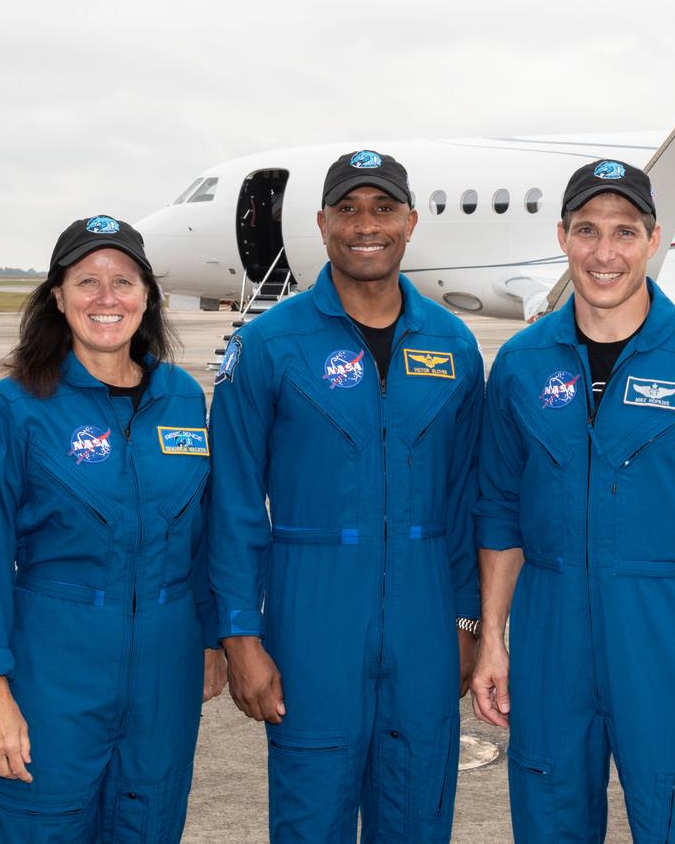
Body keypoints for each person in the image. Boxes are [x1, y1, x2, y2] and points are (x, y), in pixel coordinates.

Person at [471, 159, 675, 842]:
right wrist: (493, 638)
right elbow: (498, 511)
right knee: (549, 813)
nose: (604, 252)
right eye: (586, 230)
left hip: (667, 629)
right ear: (563, 235)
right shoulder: (520, 363)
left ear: (653, 239)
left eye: (624, 232)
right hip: (550, 629)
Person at [207, 150, 484, 842]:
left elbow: (467, 499)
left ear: (410, 221)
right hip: (311, 621)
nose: (368, 225)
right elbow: (234, 501)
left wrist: (469, 624)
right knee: (311, 820)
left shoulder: (452, 346)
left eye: (384, 208)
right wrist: (240, 633)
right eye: (350, 209)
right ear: (323, 222)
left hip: (426, 624)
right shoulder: (268, 345)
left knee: (418, 817)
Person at [0, 215, 226, 841]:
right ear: (57, 295)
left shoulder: (183, 397)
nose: (107, 299)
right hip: (55, 667)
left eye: (124, 282)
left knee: (149, 824)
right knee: (38, 824)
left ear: (147, 297)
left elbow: (202, 533)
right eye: (87, 282)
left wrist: (211, 639)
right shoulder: (16, 405)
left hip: (166, 669)